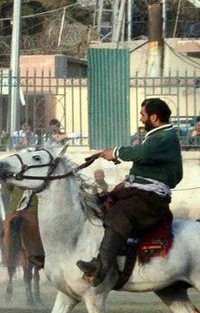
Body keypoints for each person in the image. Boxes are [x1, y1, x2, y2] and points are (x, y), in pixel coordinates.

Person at [77, 98, 183, 286]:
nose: (141, 119)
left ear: (154, 117)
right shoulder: (157, 137)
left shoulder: (165, 138)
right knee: (99, 202)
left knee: (120, 212)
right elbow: (146, 162)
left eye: (143, 115)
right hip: (139, 192)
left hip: (151, 198)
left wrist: (115, 153)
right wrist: (128, 182)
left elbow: (141, 153)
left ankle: (101, 268)